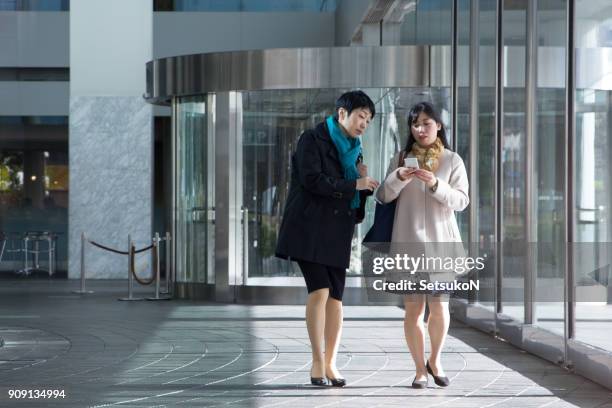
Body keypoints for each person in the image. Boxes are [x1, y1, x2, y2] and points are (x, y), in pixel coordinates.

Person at [275, 90, 380, 387]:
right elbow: (312, 180)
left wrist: (363, 185)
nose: (364, 124)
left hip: (337, 230)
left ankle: (332, 362)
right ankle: (317, 362)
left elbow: (353, 191)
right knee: (320, 290)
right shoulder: (312, 138)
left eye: (369, 120)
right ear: (342, 113)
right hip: (308, 227)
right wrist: (353, 184)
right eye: (361, 115)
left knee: (336, 297)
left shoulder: (355, 148)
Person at [376, 102, 469, 389]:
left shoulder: (452, 160)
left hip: (443, 247)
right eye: (415, 124)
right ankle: (419, 369)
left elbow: (462, 201)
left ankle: (435, 360)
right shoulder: (401, 158)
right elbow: (382, 196)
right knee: (413, 310)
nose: (420, 129)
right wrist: (398, 177)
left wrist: (435, 185)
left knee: (440, 308)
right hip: (408, 247)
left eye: (426, 123)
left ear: (439, 125)